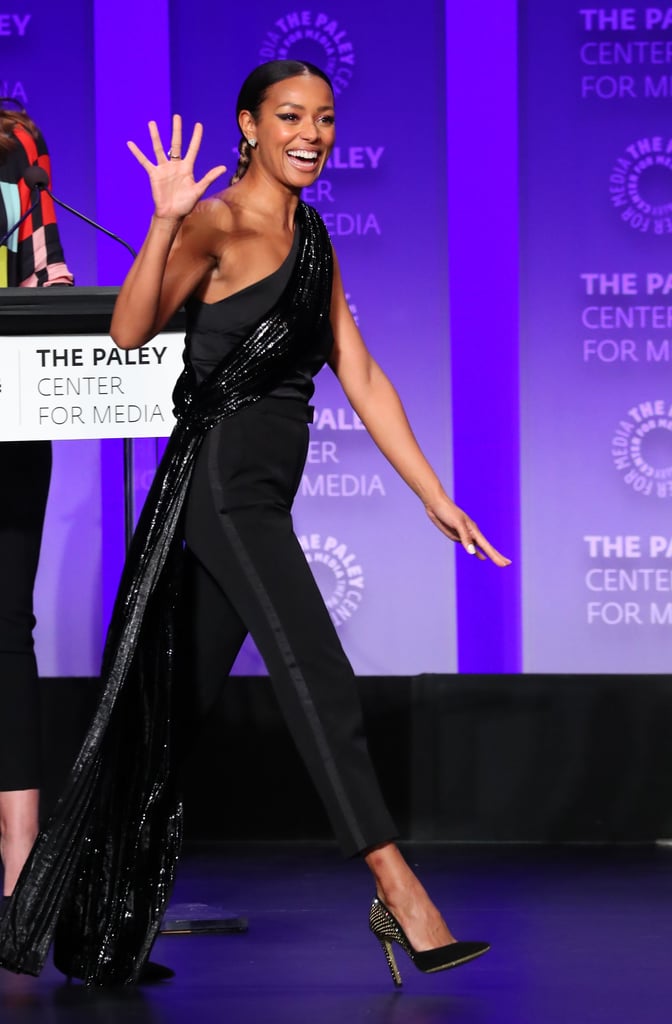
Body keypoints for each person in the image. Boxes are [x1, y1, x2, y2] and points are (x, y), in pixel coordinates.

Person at [0, 61, 509, 987]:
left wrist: (433, 493)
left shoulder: (312, 235)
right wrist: (161, 221)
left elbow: (357, 368)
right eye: (288, 117)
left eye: (322, 119)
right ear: (250, 125)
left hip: (263, 491)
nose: (310, 133)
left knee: (164, 714)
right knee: (317, 671)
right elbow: (127, 331)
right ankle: (400, 893)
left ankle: (94, 927)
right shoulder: (215, 223)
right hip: (220, 487)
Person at [0, 103, 73, 917]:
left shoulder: (17, 140)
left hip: (8, 406)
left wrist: (48, 280)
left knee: (4, 626)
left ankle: (21, 855)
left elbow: (41, 257)